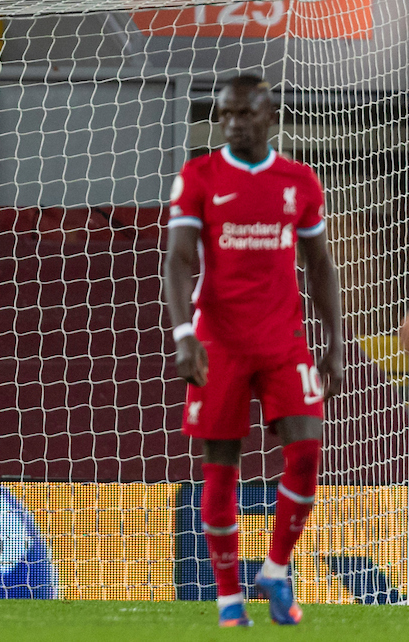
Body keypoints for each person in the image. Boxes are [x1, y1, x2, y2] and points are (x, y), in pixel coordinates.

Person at [163, 74, 344, 627]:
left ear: (269, 116)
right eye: (225, 115)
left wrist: (335, 342)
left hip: (284, 339)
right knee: (220, 467)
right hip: (219, 342)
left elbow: (319, 264)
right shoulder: (199, 176)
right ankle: (227, 599)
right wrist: (184, 333)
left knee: (308, 450)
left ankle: (274, 568)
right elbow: (177, 260)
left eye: (244, 114)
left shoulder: (299, 181)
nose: (233, 124)